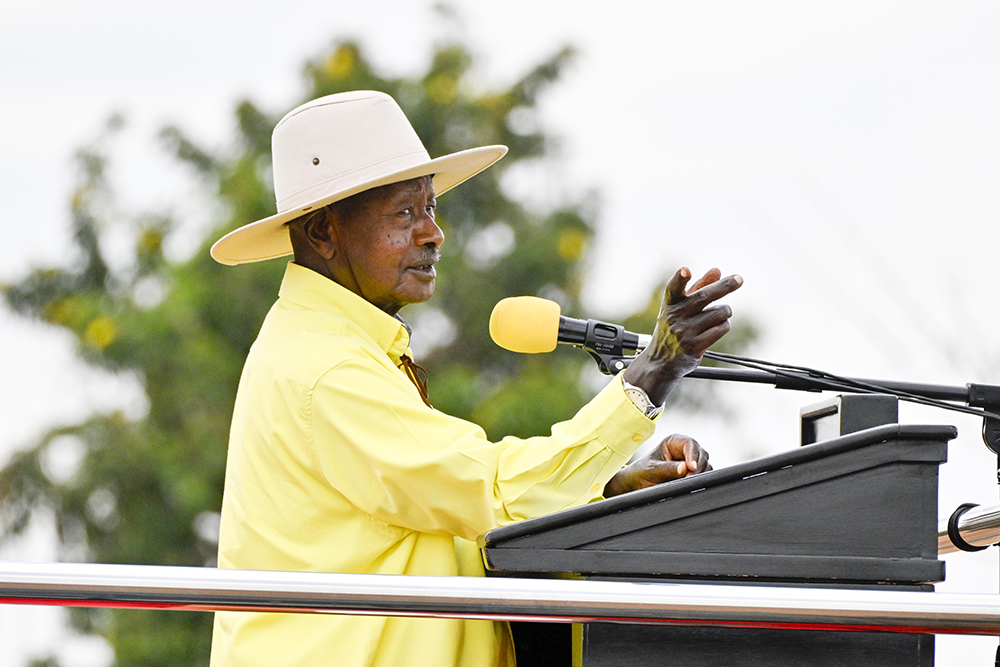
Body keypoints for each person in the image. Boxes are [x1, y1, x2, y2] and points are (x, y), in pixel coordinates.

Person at [208, 90, 742, 667]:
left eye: (431, 208)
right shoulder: (327, 369)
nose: (433, 234)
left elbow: (450, 512)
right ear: (322, 234)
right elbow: (490, 493)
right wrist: (652, 371)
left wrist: (607, 492)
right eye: (405, 213)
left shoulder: (323, 345)